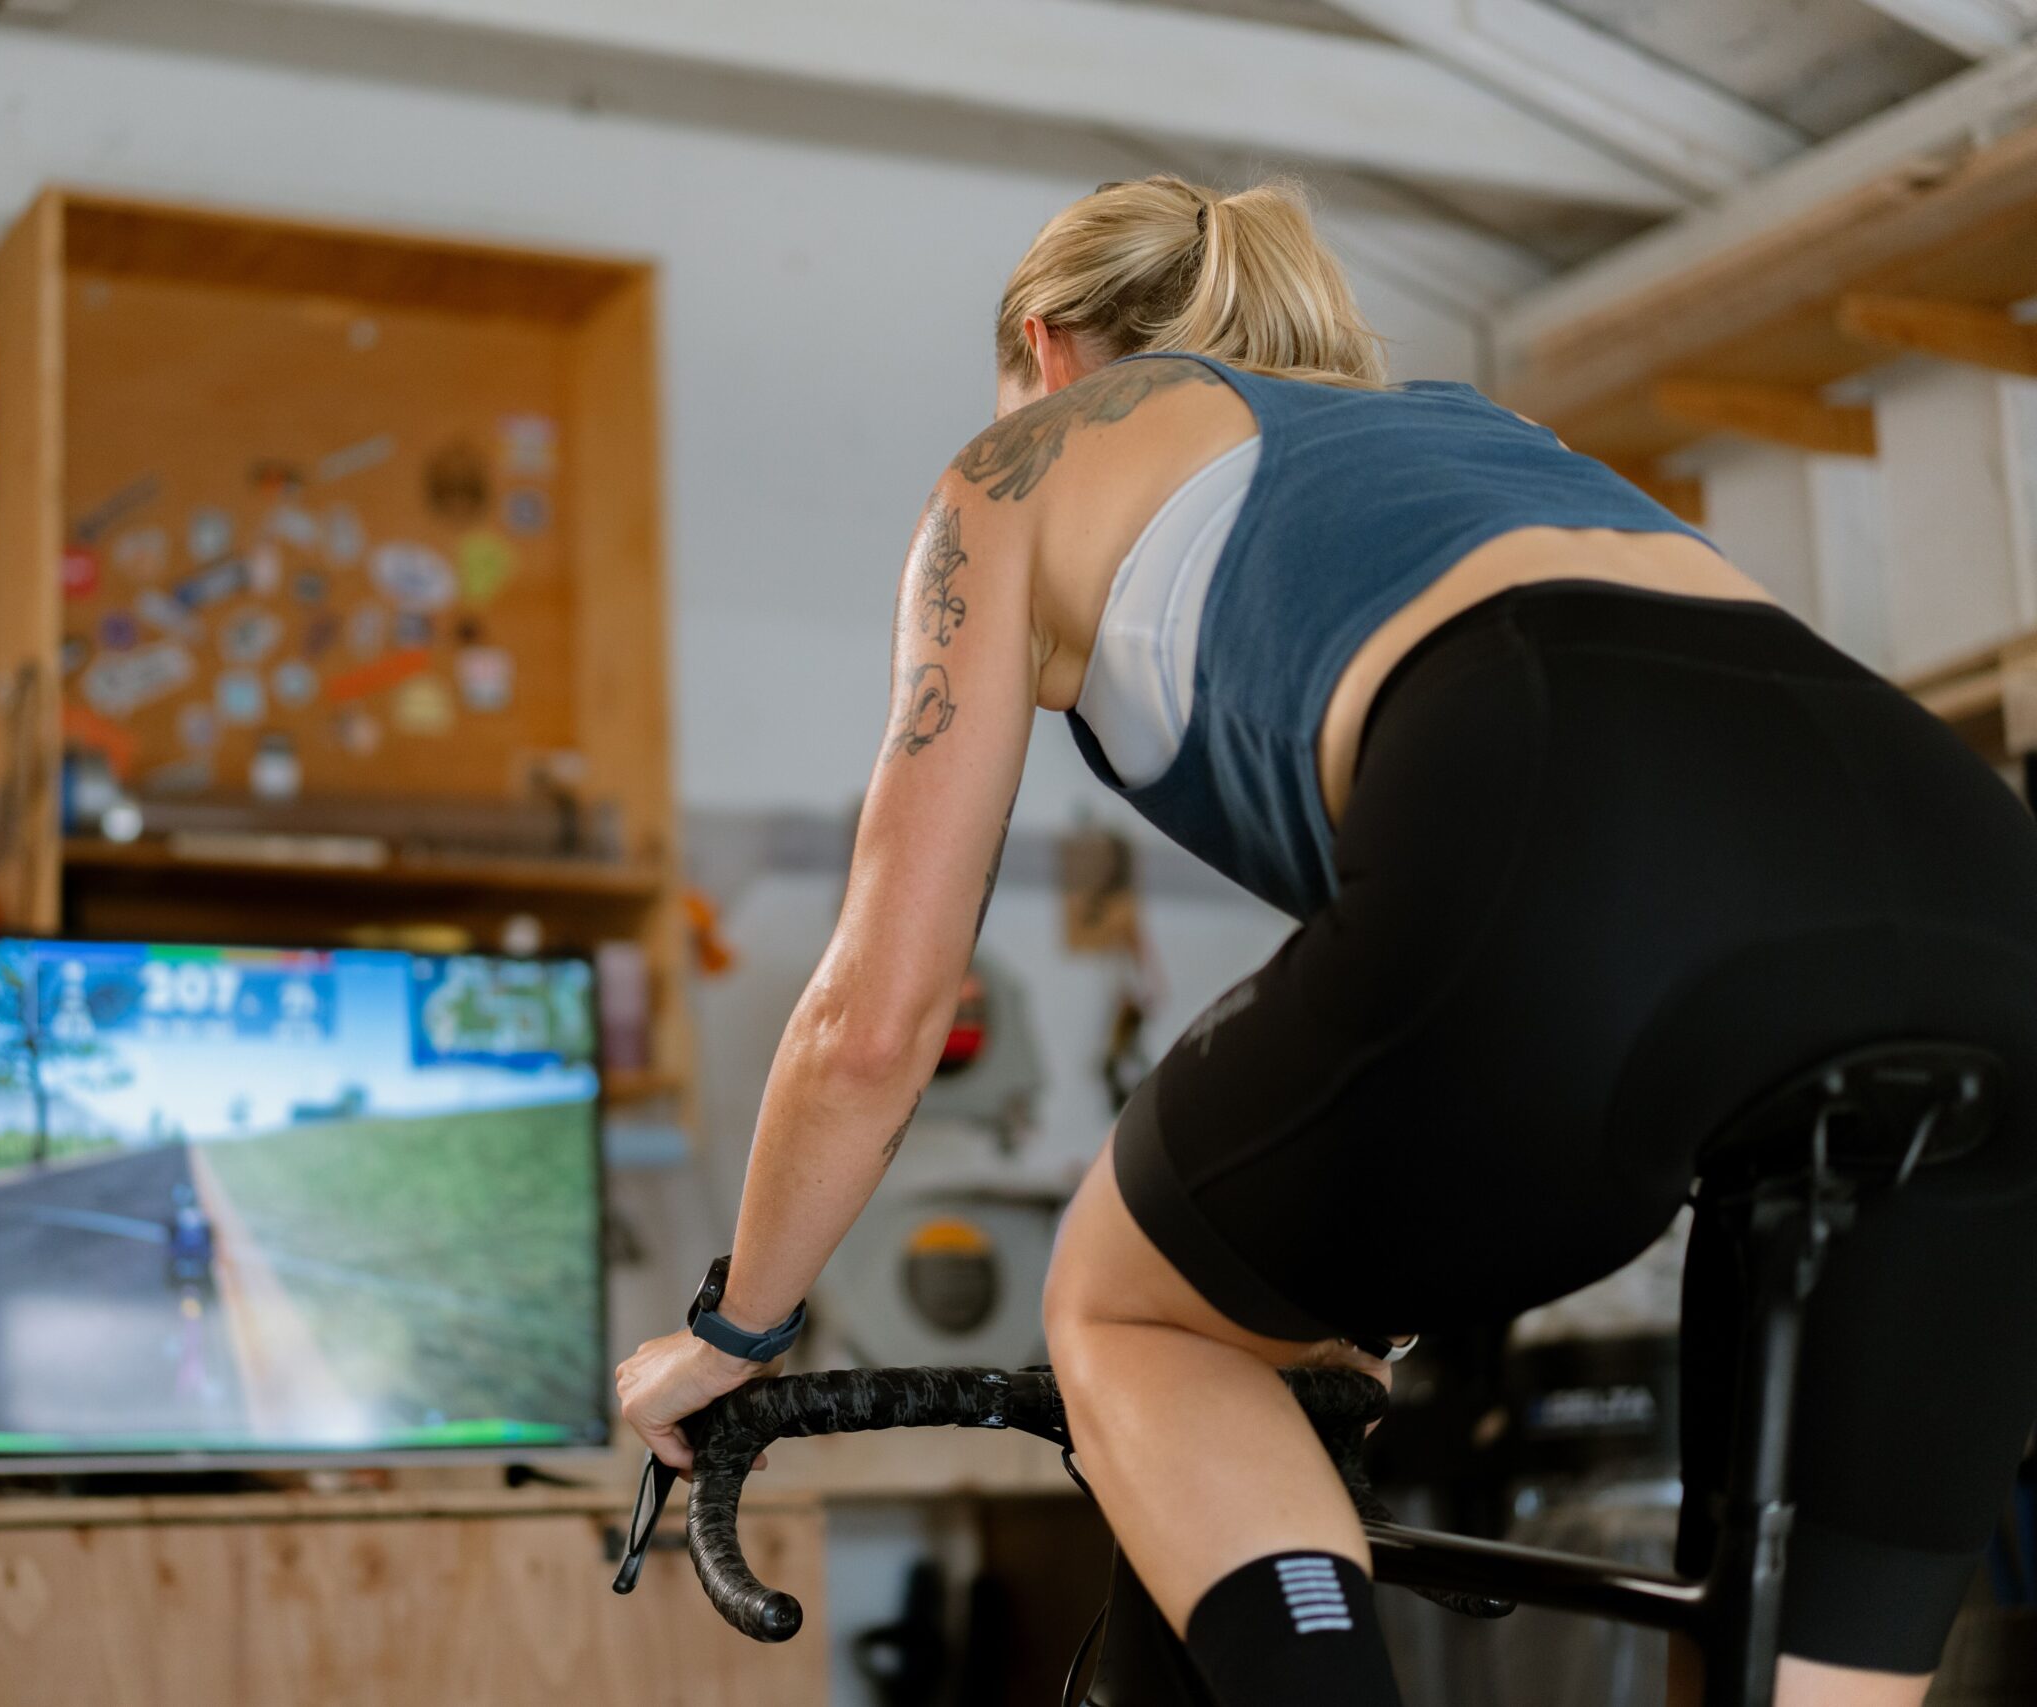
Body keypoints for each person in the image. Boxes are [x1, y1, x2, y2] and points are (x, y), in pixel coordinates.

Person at [616, 175, 2037, 1706]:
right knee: (1799, 1676)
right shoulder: (1468, 436)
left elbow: (878, 1017)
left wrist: (732, 1327)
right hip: (1980, 884)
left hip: (1564, 791)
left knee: (1126, 1306)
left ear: (1048, 347)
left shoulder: (1022, 465)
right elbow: (1471, 983)